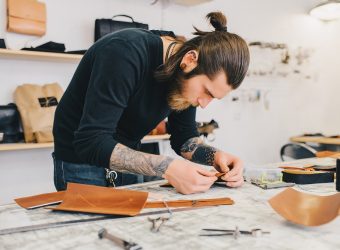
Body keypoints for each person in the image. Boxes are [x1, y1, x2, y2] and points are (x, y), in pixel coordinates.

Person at [52, 11, 250, 194]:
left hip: (126, 158)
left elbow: (184, 137)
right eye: (206, 91)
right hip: (80, 162)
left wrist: (216, 156)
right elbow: (91, 142)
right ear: (190, 59)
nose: (204, 103)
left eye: (213, 97)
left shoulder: (185, 74)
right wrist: (167, 167)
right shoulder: (124, 52)